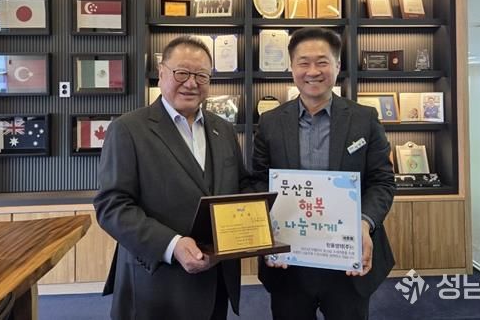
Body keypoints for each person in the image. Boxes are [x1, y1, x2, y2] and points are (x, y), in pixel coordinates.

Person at [94, 36, 250, 320]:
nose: (191, 83)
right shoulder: (128, 129)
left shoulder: (224, 129)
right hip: (157, 282)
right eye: (182, 73)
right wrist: (172, 244)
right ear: (161, 72)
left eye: (201, 75)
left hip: (216, 278)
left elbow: (239, 187)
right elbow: (112, 206)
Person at [251, 27, 396, 320]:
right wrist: (266, 230)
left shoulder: (364, 118)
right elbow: (257, 181)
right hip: (289, 260)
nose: (313, 71)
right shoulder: (269, 122)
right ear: (291, 67)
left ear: (337, 66)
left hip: (346, 255)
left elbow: (382, 181)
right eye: (303, 62)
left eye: (322, 62)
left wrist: (364, 224)